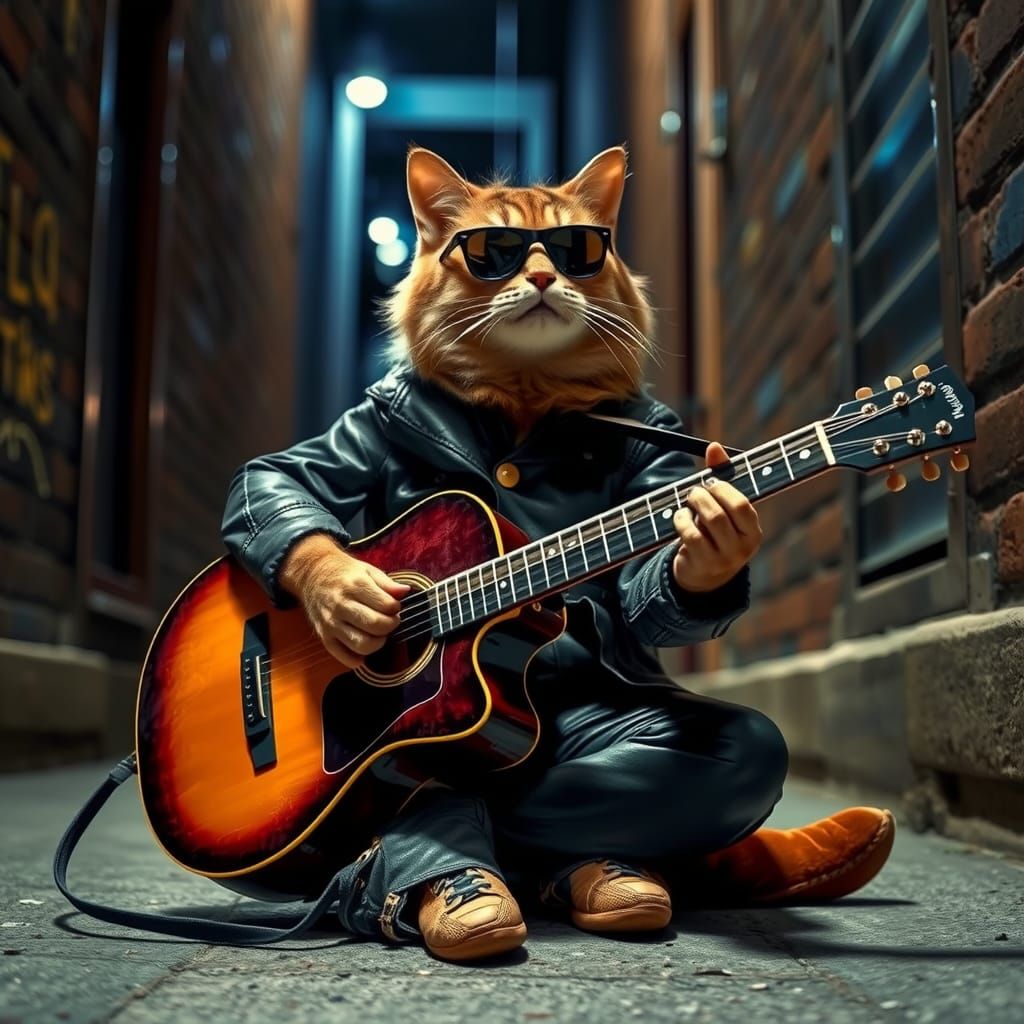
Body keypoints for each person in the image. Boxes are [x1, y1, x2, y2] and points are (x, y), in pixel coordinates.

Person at [221, 146, 894, 963]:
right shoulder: (398, 418)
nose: (540, 273)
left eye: (577, 250)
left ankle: (423, 846)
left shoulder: (646, 437)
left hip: (585, 723)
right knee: (676, 799)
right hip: (411, 736)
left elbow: (652, 612)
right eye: (493, 253)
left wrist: (699, 572)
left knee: (746, 754)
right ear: (433, 252)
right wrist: (318, 569)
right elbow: (264, 487)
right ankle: (613, 855)